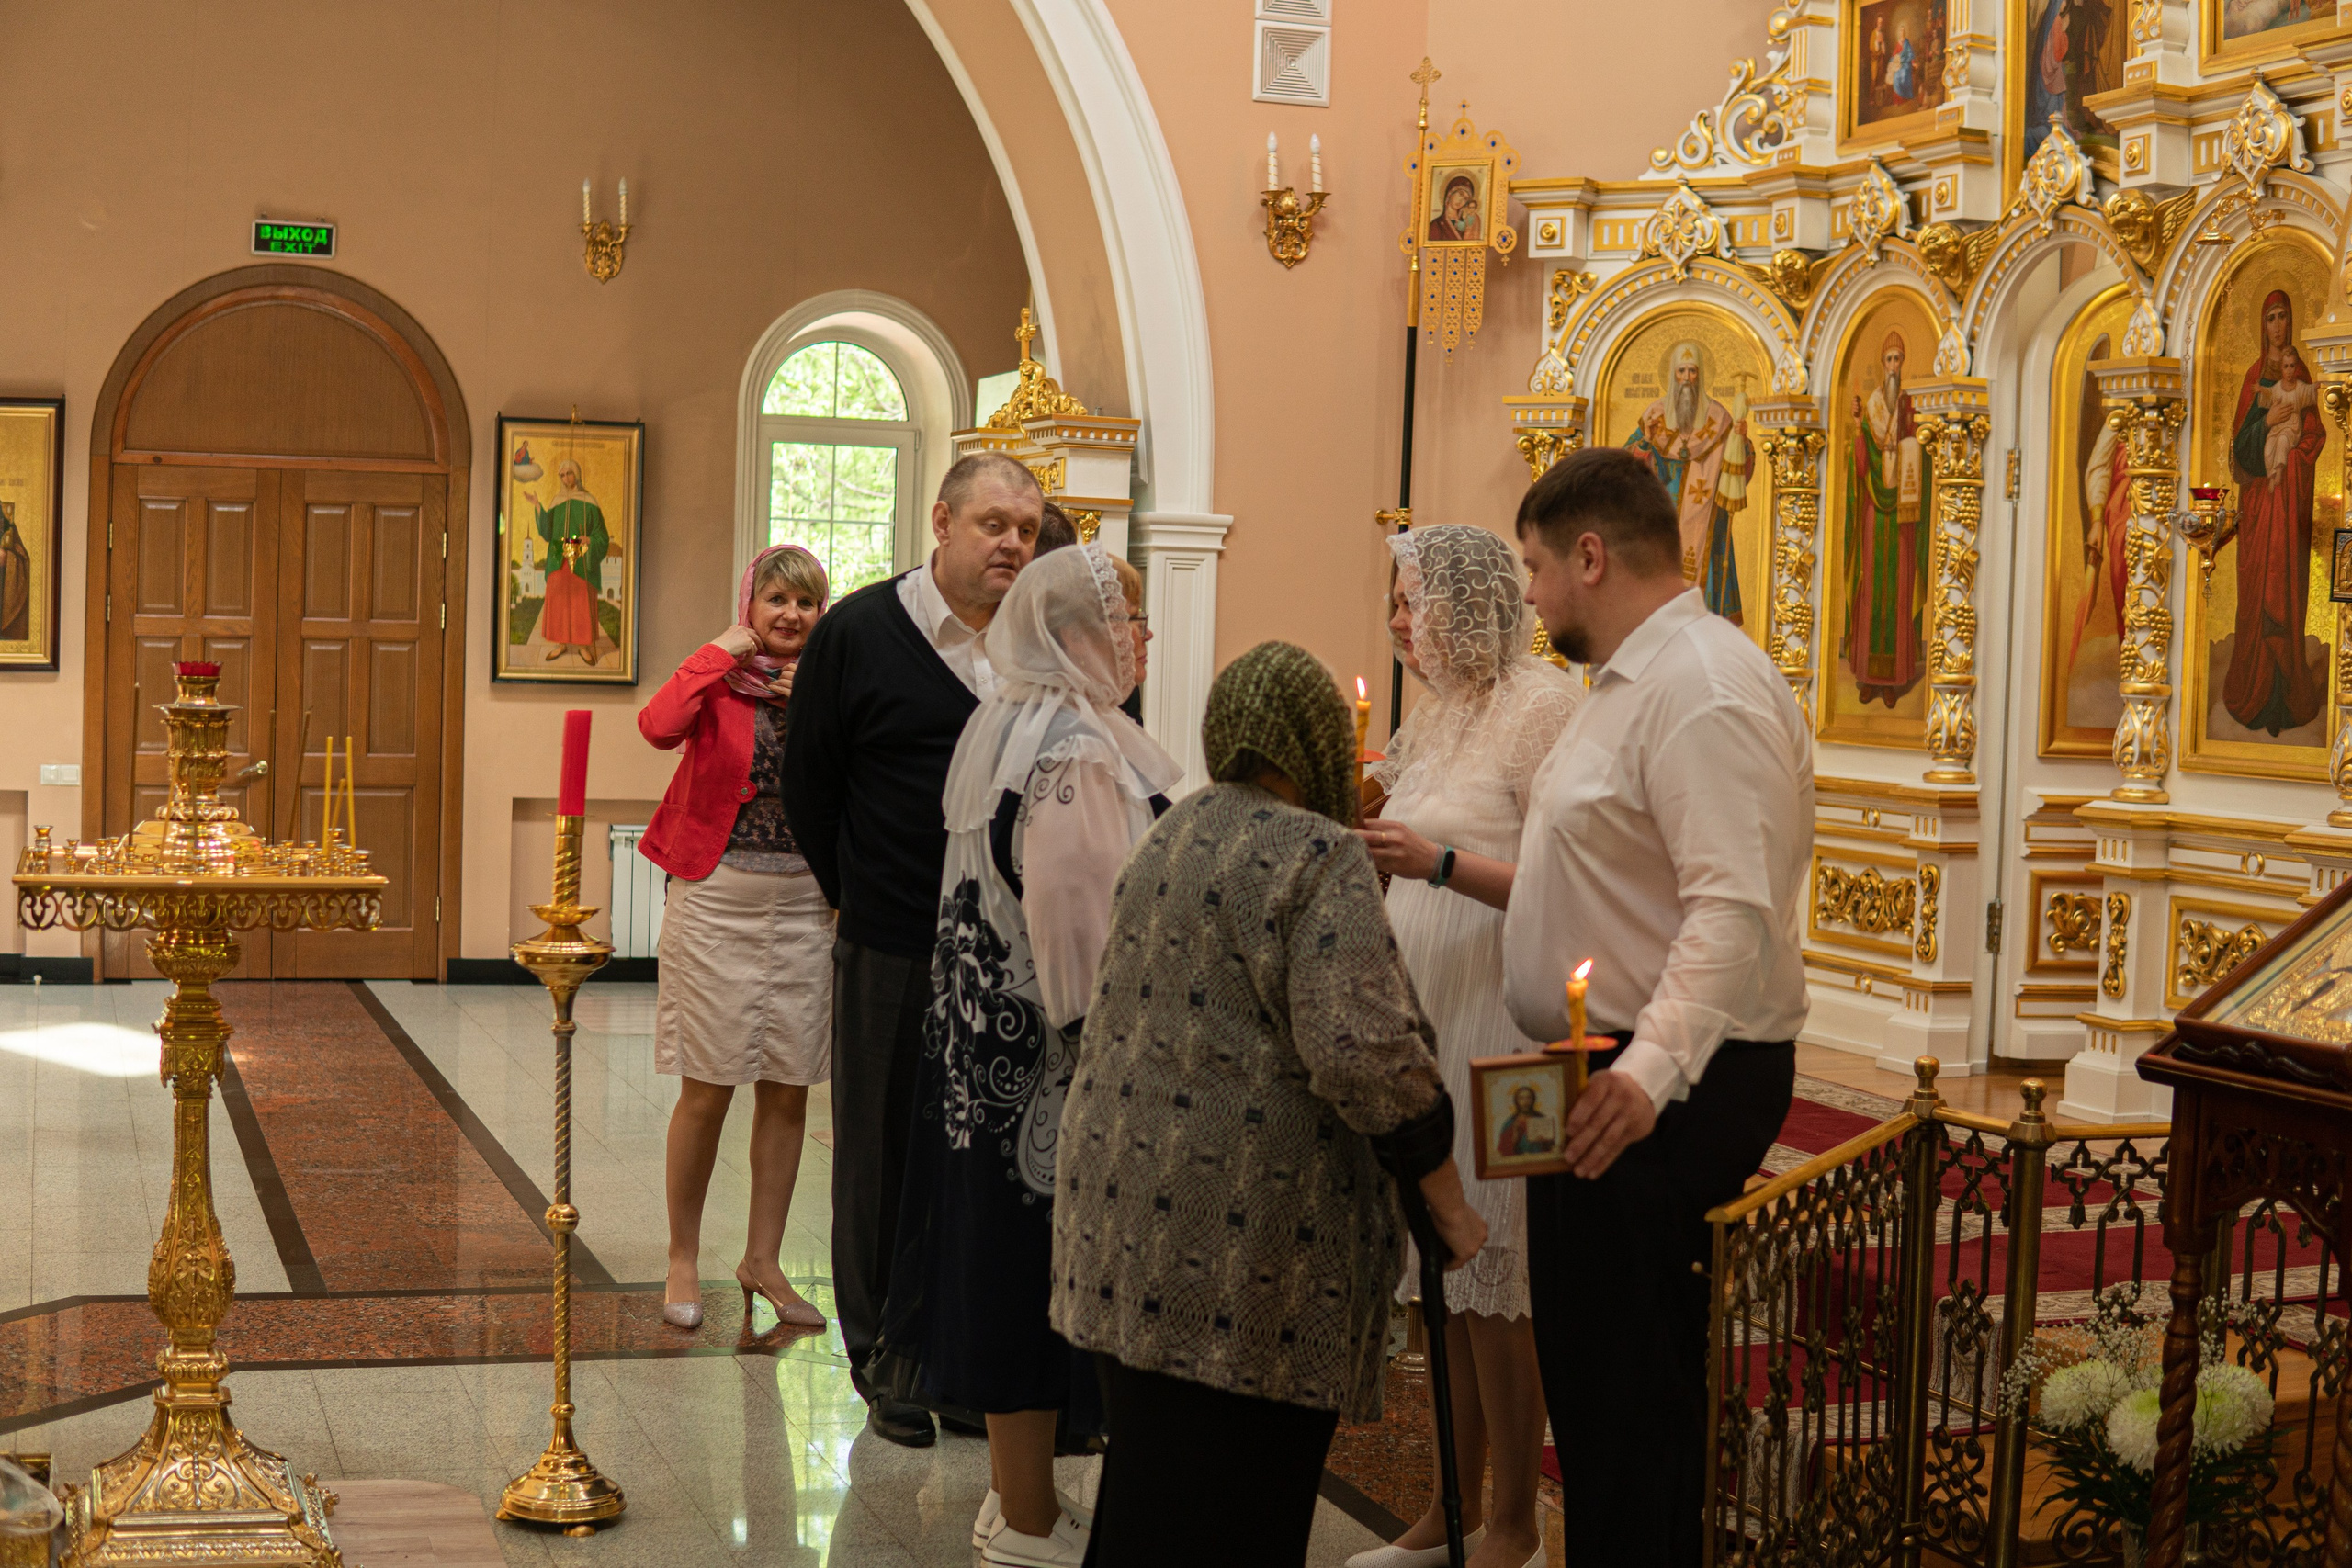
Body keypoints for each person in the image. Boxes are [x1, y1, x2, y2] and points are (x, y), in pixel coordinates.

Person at [1052, 640, 1488, 1568]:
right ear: (1312, 741)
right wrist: (1445, 1200)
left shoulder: (1173, 828)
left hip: (1123, 1216)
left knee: (1147, 1499)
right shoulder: (1315, 850)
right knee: (1241, 1509)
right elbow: (1364, 1052)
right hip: (1246, 1244)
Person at [1503, 447, 1812, 1568]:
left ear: (1591, 555)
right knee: (1592, 1387)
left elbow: (1731, 910)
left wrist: (1643, 1077)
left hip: (1664, 1088)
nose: (1531, 592)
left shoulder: (1704, 689)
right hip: (1604, 1070)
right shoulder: (1633, 680)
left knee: (1633, 1397)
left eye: (1536, 566)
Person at [876, 544, 1182, 1568]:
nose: (1142, 643)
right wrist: (1115, 1049)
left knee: (1010, 1267)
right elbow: (1075, 911)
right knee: (1036, 1275)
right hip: (1053, 1059)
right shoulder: (1072, 749)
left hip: (982, 1045)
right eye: (1130, 623)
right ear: (1079, 634)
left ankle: (1020, 1499)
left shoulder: (1009, 720)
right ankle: (1029, 1517)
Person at [780, 450, 1044, 1447]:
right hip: (889, 934)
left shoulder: (1036, 644)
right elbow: (811, 786)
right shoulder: (859, 629)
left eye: (1026, 528)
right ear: (941, 522)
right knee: (883, 1151)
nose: (1012, 544)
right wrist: (856, 899)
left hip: (1005, 948)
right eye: (993, 525)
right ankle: (885, 1361)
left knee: (981, 1154)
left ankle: (962, 1357)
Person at [1351, 525, 1578, 1568]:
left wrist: (1435, 861)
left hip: (1505, 1017)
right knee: (1438, 1276)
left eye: (1411, 601)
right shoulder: (1431, 716)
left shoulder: (1545, 711)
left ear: (1465, 601)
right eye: (1395, 605)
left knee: (1504, 1280)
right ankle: (1446, 1506)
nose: (1398, 622)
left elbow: (1564, 886)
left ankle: (1516, 1523)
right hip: (1427, 1011)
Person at [636, 543, 835, 1332]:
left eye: (807, 603)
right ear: (750, 605)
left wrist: (816, 698)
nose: (791, 615)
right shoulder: (718, 681)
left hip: (807, 904)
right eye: (776, 600)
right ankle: (682, 1256)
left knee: (787, 1087)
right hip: (716, 899)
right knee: (708, 1083)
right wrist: (718, 652)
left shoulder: (828, 687)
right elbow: (658, 725)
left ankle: (763, 1259)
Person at [2225, 288, 2327, 735]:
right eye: (2272, 318)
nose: (2279, 325)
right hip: (2259, 504)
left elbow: (2316, 434)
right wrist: (2265, 426)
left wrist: (2297, 458)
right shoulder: (2253, 377)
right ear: (2262, 325)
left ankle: (2286, 696)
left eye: (2285, 316)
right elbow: (2238, 452)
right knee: (2255, 595)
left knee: (2286, 589)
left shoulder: (2299, 373)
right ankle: (2253, 691)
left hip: (2289, 504)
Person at [1627, 344, 1752, 621]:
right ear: (1672, 375)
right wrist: (1646, 442)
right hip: (1664, 517)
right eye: (1681, 371)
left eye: (1692, 371)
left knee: (1707, 585)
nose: (1686, 378)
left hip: (1707, 519)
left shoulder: (1719, 419)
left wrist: (1740, 440)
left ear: (1701, 375)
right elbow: (1626, 467)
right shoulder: (1654, 416)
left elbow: (1739, 468)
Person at [1844, 329, 1929, 706]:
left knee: (1899, 587)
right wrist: (1859, 433)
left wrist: (1912, 443)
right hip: (1874, 514)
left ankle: (1894, 679)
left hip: (1903, 516)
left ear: (1903, 364)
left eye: (1898, 359)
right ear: (1882, 364)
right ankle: (1868, 677)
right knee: (1873, 586)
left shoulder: (1909, 406)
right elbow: (1861, 467)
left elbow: (1922, 453)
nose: (1893, 366)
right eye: (1888, 359)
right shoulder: (1873, 407)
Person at [533, 457, 614, 666]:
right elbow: (547, 531)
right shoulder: (556, 502)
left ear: (576, 474)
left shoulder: (589, 501)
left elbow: (602, 535)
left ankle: (583, 646)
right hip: (559, 557)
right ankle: (561, 643)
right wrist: (539, 509)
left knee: (581, 602)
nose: (565, 478)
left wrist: (590, 540)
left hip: (581, 557)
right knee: (559, 601)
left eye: (569, 473)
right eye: (561, 475)